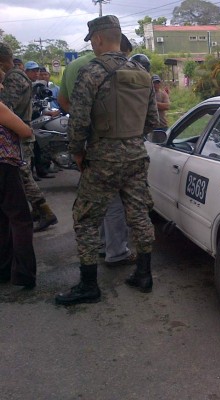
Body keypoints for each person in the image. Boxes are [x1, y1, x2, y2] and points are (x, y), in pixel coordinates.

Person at [55, 15, 159, 305]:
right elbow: (153, 120)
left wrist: (77, 151)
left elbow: (78, 120)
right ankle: (144, 274)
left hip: (102, 158)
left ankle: (89, 285)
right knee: (138, 214)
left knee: (86, 219)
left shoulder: (92, 72)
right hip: (137, 155)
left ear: (98, 39)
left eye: (92, 41)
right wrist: (131, 139)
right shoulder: (142, 72)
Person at [57, 33, 138, 269]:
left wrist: (77, 150)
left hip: (93, 149)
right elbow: (145, 117)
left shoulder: (75, 67)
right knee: (115, 204)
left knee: (94, 206)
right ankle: (116, 252)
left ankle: (102, 251)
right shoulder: (129, 68)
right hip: (124, 148)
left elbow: (67, 105)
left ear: (98, 40)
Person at [0, 46, 58, 232]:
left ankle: (45, 211)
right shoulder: (16, 76)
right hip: (18, 130)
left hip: (17, 132)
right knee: (23, 174)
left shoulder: (14, 78)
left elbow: (7, 107)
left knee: (23, 174)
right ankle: (36, 209)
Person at [0, 96, 37, 289]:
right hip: (4, 167)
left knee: (2, 220)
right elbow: (25, 130)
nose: (3, 87)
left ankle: (3, 269)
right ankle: (24, 273)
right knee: (20, 219)